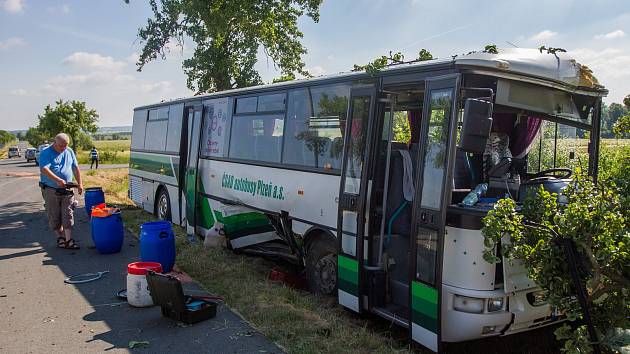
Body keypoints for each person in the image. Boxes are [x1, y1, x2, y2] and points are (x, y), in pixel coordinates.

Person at [39, 133, 84, 249]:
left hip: (67, 189)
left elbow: (75, 167)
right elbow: (44, 169)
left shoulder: (69, 151)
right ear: (54, 143)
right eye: (61, 146)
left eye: (65, 145)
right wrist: (58, 180)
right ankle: (60, 237)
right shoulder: (45, 152)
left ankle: (69, 240)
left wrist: (80, 184)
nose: (63, 148)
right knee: (54, 216)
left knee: (68, 214)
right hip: (51, 189)